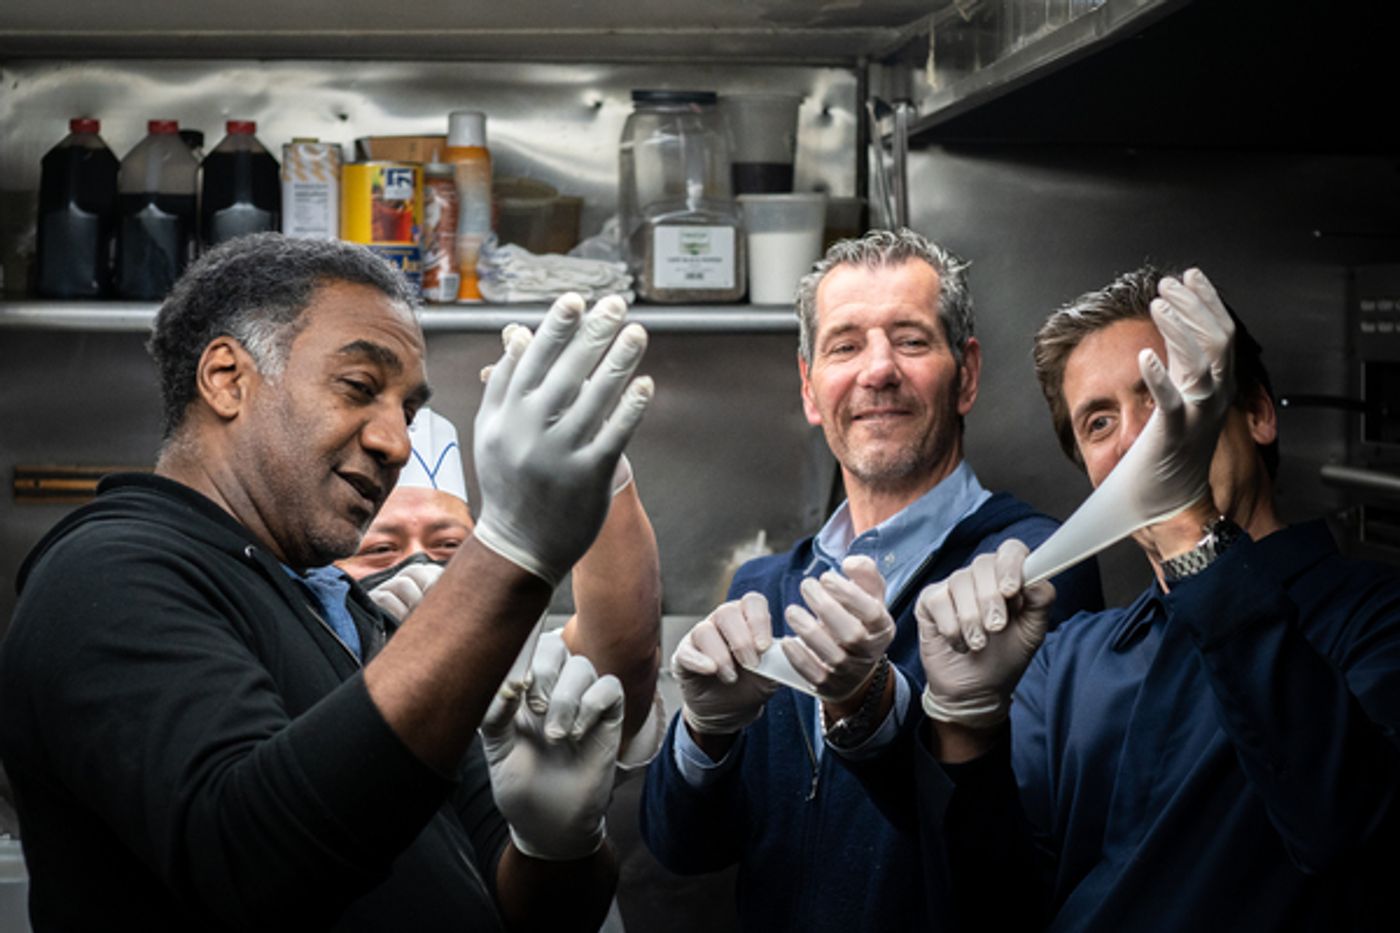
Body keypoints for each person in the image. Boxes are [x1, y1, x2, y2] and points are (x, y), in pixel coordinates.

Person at [0, 232, 654, 932]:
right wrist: (512, 550)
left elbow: (539, 918)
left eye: (407, 411)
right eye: (359, 388)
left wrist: (557, 844)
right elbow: (252, 866)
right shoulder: (110, 573)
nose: (396, 443)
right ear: (226, 378)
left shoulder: (351, 616)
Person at [639, 228, 1104, 931]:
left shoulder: (1034, 568)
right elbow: (685, 847)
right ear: (809, 387)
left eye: (911, 341)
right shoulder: (765, 587)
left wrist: (874, 709)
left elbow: (1019, 859)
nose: (878, 370)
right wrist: (704, 734)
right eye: (845, 345)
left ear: (967, 375)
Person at [914, 267, 1400, 930]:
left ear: (1257, 413)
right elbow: (995, 910)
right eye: (1099, 422)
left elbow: (1357, 840)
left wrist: (1191, 532)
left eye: (1165, 395)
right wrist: (967, 728)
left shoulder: (1378, 619)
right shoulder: (1065, 663)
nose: (1139, 438)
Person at [335, 406, 664, 764]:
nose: (420, 564)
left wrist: (600, 475)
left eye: (449, 545)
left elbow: (623, 660)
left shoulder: (521, 670)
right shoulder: (299, 657)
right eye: (381, 549)